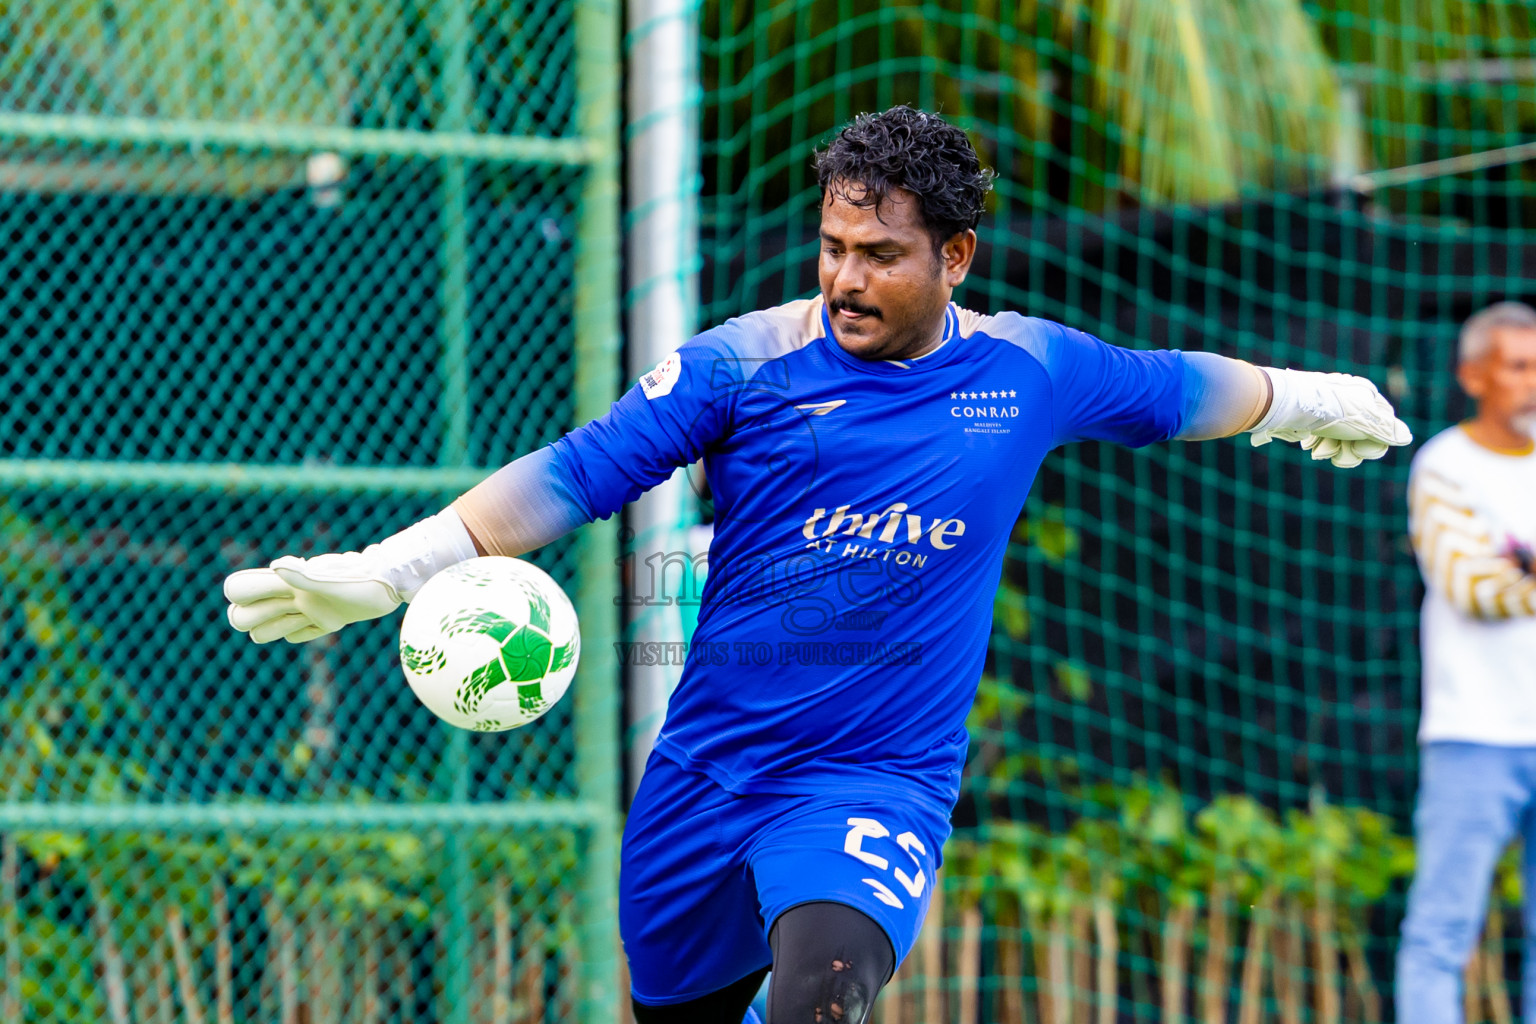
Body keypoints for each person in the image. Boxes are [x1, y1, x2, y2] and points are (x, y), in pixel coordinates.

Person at [224, 106, 1410, 1024]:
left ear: (957, 257)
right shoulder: (744, 365)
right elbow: (575, 474)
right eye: (834, 246)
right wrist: (391, 571)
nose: (845, 277)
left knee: (814, 998)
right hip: (706, 775)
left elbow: (1178, 387)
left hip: (873, 779)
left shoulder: (1029, 374)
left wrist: (1308, 397)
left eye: (881, 254)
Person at [1396, 301, 1536, 1023]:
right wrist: (1512, 574)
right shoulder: (1443, 463)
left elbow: (1506, 577)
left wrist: (1523, 566)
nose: (1534, 382)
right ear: (1474, 375)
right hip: (1473, 736)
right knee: (1442, 931)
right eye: (1518, 366)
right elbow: (1473, 586)